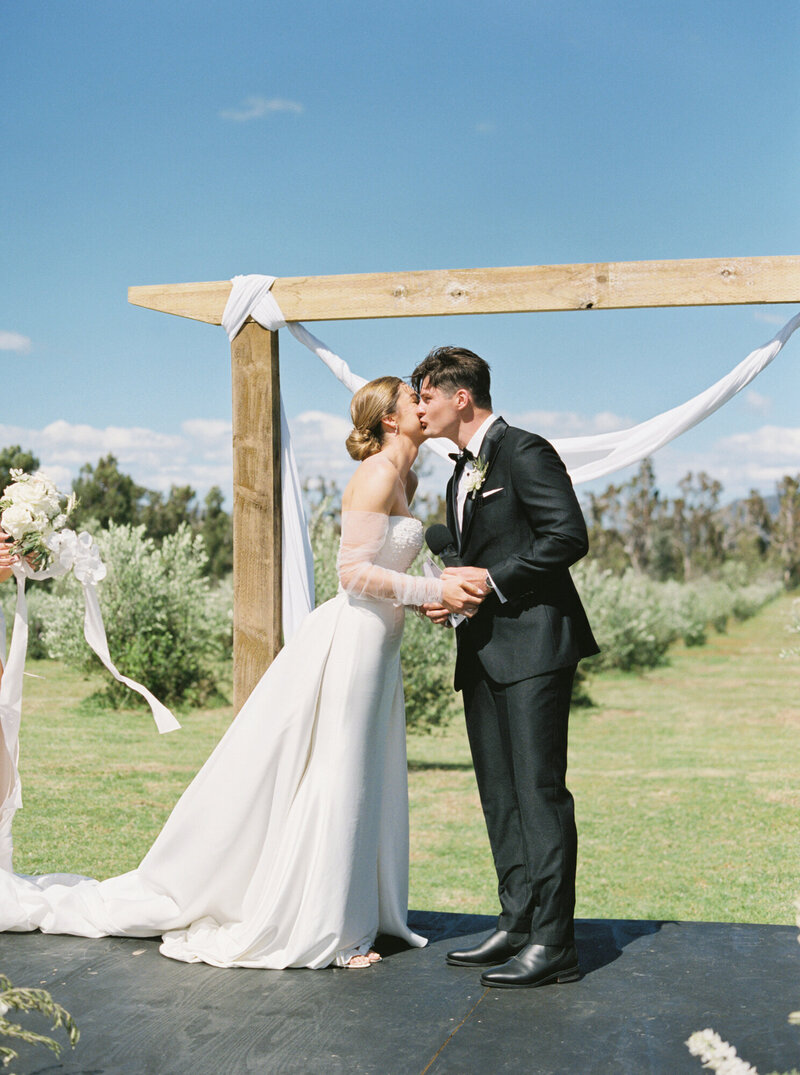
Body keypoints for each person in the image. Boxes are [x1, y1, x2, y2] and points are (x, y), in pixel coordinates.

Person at [0, 377, 482, 969]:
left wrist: (430, 602)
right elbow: (353, 574)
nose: (424, 404)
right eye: (414, 398)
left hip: (382, 644)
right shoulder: (379, 474)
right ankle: (324, 927)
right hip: (352, 641)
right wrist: (436, 588)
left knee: (367, 774)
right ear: (389, 418)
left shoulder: (406, 477)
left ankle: (361, 912)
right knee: (338, 775)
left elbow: (389, 570)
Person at [411, 347, 599, 989]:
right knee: (499, 796)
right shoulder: (455, 473)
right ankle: (517, 923)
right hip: (482, 650)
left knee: (539, 795)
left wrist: (490, 581)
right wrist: (452, 601)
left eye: (426, 395)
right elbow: (470, 563)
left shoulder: (524, 451)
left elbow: (567, 535)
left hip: (536, 648)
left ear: (460, 397)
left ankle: (555, 944)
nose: (419, 407)